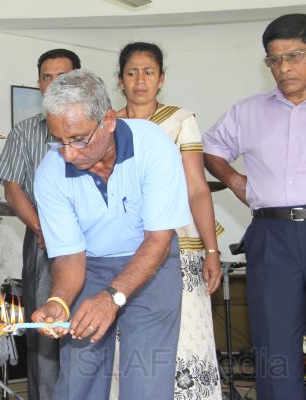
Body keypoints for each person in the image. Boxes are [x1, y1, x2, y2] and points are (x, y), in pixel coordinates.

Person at [31, 69, 191, 400]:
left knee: (146, 382)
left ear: (108, 121)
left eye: (79, 139)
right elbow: (69, 254)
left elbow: (159, 239)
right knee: (79, 381)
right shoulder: (50, 174)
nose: (68, 154)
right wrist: (59, 301)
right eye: (58, 141)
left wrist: (112, 297)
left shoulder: (154, 146)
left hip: (152, 264)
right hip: (88, 269)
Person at [203, 13, 306, 400]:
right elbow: (210, 147)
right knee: (274, 348)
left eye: (294, 56)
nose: (284, 68)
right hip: (272, 234)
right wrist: (233, 180)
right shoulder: (247, 112)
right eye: (274, 60)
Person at [114, 42, 222, 399]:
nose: (140, 80)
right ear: (120, 80)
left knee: (186, 339)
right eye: (132, 73)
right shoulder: (108, 124)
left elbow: (197, 189)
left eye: (148, 72)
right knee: (125, 341)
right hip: (123, 248)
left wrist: (211, 250)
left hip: (179, 245)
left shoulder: (181, 120)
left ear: (161, 79)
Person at [0, 48, 80, 400]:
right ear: (39, 84)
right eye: (47, 77)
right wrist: (44, 229)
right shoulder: (24, 132)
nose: (54, 83)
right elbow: (12, 188)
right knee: (45, 329)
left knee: (93, 326)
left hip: (95, 239)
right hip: (43, 240)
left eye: (63, 77)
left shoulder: (98, 128)